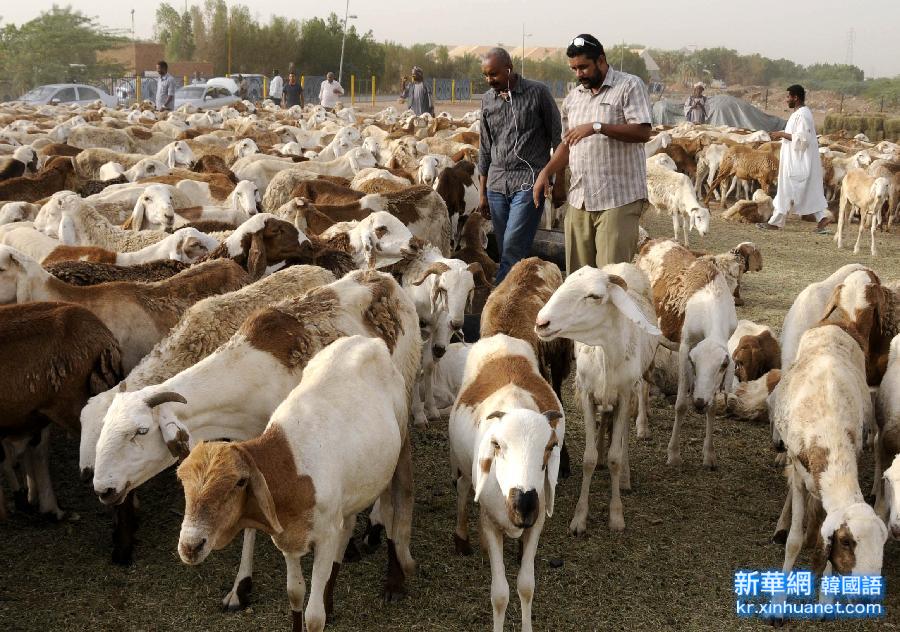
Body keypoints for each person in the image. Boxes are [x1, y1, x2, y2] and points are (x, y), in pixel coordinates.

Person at [533, 34, 652, 273]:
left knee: (611, 278)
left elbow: (642, 131)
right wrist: (546, 172)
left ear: (601, 60)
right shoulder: (573, 99)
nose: (579, 74)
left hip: (618, 198)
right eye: (574, 69)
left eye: (583, 67)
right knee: (579, 279)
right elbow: (567, 144)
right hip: (580, 198)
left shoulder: (628, 86)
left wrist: (598, 127)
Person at [476, 48, 561, 284]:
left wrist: (559, 180)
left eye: (494, 74)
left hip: (529, 181)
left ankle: (497, 301)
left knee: (513, 247)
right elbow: (484, 147)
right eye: (485, 75)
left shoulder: (538, 93)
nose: (489, 80)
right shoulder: (487, 100)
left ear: (509, 68)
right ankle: (521, 294)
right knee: (508, 250)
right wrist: (482, 193)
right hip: (496, 185)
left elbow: (558, 138)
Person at [758, 84, 830, 233]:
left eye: (788, 97)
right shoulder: (800, 113)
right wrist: (783, 133)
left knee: (785, 191)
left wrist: (781, 134)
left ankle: (776, 222)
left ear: (795, 97)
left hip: (797, 162)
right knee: (808, 192)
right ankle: (822, 217)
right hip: (796, 160)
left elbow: (803, 139)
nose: (786, 100)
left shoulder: (802, 115)